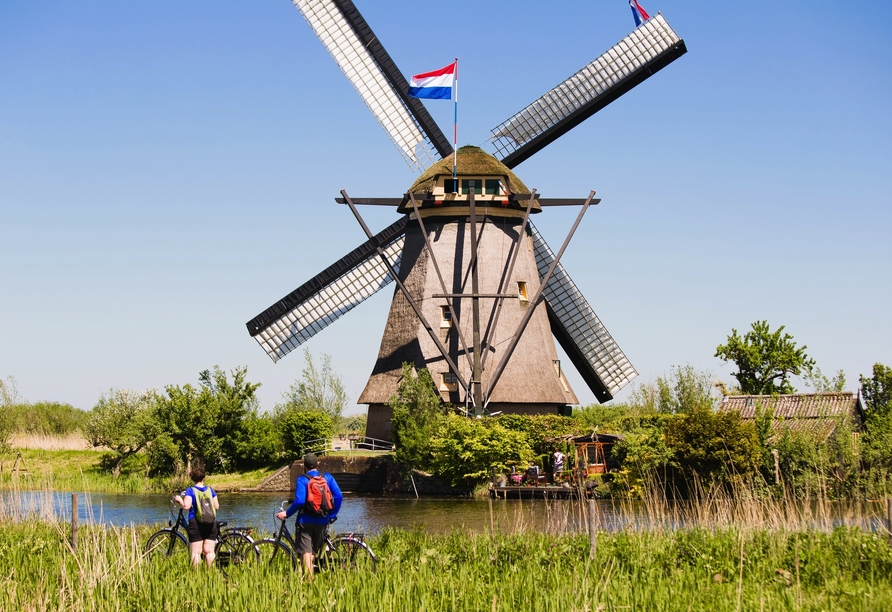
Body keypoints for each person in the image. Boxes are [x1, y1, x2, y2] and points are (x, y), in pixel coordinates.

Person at [276, 453, 343, 577]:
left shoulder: (302, 479)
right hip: (323, 520)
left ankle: (309, 583)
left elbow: (300, 500)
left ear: (304, 466)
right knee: (312, 552)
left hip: (305, 521)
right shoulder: (327, 477)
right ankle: (305, 575)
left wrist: (287, 513)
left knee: (306, 552)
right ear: (318, 464)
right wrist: (331, 515)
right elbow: (338, 496)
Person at [173, 467, 219, 567]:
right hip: (211, 523)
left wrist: (179, 500)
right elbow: (217, 507)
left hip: (196, 523)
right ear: (204, 478)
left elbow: (186, 506)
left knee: (196, 552)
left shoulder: (190, 490)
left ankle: (197, 578)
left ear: (192, 479)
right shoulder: (210, 490)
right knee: (210, 551)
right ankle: (211, 576)